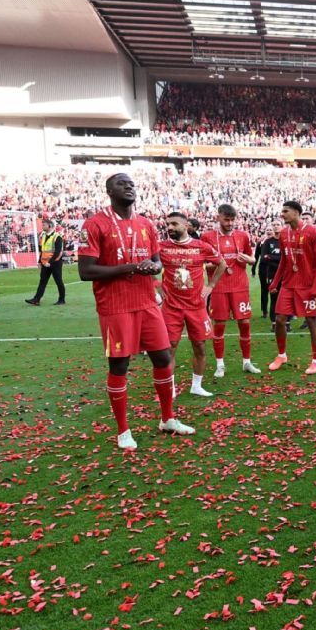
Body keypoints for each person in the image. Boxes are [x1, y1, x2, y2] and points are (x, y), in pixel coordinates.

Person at [78, 172, 189, 451]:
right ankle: (123, 431)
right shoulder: (94, 224)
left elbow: (157, 262)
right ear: (109, 191)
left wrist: (153, 267)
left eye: (131, 184)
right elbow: (86, 271)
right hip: (115, 306)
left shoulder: (146, 224)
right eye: (121, 183)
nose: (128, 186)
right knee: (119, 365)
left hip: (147, 302)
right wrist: (130, 268)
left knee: (163, 358)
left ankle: (168, 419)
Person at [161, 211, 228, 398]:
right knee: (169, 348)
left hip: (196, 307)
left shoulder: (201, 246)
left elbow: (222, 264)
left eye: (174, 224)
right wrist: (157, 286)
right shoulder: (161, 247)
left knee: (199, 346)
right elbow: (148, 264)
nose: (170, 227)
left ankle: (196, 386)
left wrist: (210, 286)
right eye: (168, 224)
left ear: (186, 225)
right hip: (171, 307)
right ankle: (169, 388)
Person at [201, 204, 261, 377]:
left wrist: (248, 259)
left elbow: (252, 259)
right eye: (226, 220)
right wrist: (218, 264)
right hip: (219, 287)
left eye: (232, 220)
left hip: (240, 286)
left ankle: (247, 362)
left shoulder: (243, 235)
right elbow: (202, 263)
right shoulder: (207, 237)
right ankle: (220, 364)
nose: (230, 223)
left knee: (245, 323)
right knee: (219, 325)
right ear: (218, 217)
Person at [266, 201, 316, 374]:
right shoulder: (283, 233)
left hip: (307, 286)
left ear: (296, 212)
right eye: (282, 211)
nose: (282, 214)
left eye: (286, 211)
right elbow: (284, 261)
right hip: (288, 284)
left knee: (311, 321)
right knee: (279, 320)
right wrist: (275, 282)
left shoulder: (313, 232)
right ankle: (281, 355)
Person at [26, 219, 67, 306]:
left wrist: (50, 262)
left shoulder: (57, 237)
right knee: (42, 281)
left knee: (58, 281)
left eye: (44, 225)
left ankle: (62, 299)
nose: (42, 226)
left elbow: (58, 252)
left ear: (50, 226)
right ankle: (36, 299)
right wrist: (39, 261)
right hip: (45, 262)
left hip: (55, 263)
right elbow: (43, 250)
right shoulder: (43, 236)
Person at [255, 230, 282, 320]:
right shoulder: (262, 242)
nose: (270, 231)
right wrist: (253, 269)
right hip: (264, 270)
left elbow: (284, 257)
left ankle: (285, 313)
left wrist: (271, 257)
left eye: (271, 230)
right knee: (265, 291)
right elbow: (259, 257)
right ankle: (264, 311)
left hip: (278, 270)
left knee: (281, 292)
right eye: (268, 229)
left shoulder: (281, 241)